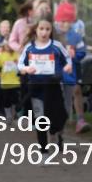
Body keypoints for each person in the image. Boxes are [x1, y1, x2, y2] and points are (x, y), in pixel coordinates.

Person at [18, 19, 72, 154]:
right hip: (36, 88)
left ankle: (57, 135)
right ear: (36, 30)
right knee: (40, 118)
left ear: (51, 31)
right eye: (41, 29)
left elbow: (67, 59)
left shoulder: (56, 46)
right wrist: (26, 69)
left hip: (53, 86)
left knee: (58, 116)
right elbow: (20, 65)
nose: (44, 32)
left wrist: (68, 66)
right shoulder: (29, 48)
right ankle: (43, 149)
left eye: (47, 29)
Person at [53, 0, 90, 133]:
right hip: (57, 72)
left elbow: (83, 51)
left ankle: (80, 119)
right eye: (60, 21)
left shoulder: (75, 36)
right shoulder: (54, 36)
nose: (62, 24)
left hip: (74, 70)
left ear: (71, 22)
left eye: (66, 21)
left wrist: (75, 54)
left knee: (77, 91)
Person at [0, 40, 21, 120]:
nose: (8, 47)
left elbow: (21, 65)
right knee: (6, 100)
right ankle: (8, 115)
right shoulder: (0, 55)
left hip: (16, 81)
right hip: (5, 82)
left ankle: (17, 113)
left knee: (16, 99)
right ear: (4, 46)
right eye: (6, 45)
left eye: (10, 45)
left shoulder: (17, 54)